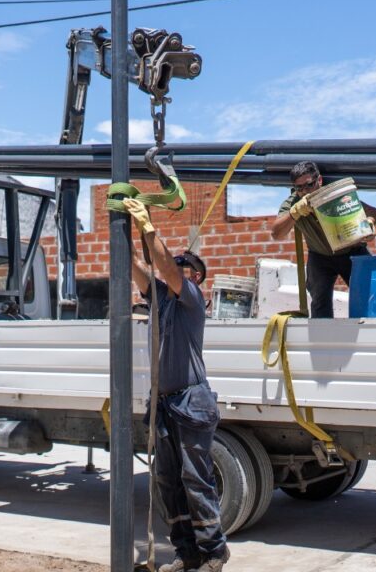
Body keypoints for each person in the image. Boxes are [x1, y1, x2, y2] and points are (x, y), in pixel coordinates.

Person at [122, 198, 230, 572]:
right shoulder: (161, 302)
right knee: (169, 481)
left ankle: (214, 551)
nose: (175, 270)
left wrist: (150, 227)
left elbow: (165, 266)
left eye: (184, 268)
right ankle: (187, 554)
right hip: (166, 404)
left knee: (195, 478)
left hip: (191, 400)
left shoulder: (191, 300)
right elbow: (136, 267)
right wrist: (126, 230)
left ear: (194, 277)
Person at [270, 161, 376, 318]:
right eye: (299, 188)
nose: (304, 192)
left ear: (319, 180)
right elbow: (276, 234)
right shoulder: (293, 203)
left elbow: (373, 212)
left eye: (309, 185)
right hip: (320, 256)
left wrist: (369, 222)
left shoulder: (334, 194)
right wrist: (294, 213)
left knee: (370, 295)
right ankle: (322, 339)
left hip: (352, 251)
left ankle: (371, 333)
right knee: (320, 303)